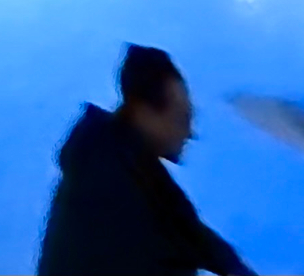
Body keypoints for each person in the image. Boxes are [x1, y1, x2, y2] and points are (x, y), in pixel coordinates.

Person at [37, 45, 254, 276]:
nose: (190, 133)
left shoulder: (128, 164)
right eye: (182, 117)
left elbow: (190, 231)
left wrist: (234, 267)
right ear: (143, 112)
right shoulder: (111, 186)